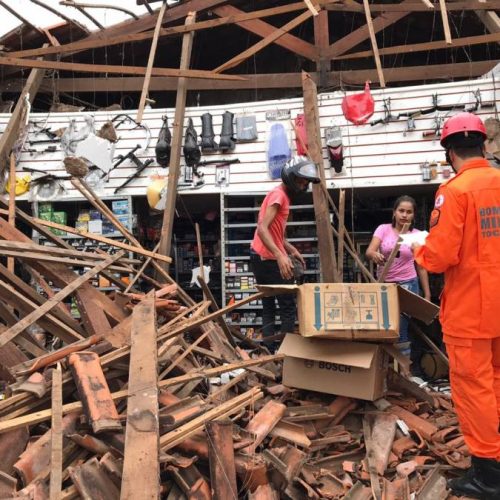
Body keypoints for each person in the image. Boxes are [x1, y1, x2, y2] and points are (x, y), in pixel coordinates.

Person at [411, 112, 500, 498]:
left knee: (473, 387)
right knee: (495, 381)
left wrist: (418, 248)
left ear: (449, 152)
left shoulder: (455, 191)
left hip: (470, 310)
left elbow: (440, 256)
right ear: (484, 144)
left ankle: (488, 473)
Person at [250, 155, 320, 346]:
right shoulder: (279, 195)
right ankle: (285, 354)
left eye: (305, 182)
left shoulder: (279, 194)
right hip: (268, 259)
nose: (303, 185)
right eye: (301, 180)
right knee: (288, 306)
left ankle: (268, 351)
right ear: (291, 177)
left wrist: (291, 249)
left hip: (259, 255)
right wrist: (281, 256)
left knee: (269, 305)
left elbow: (274, 232)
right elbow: (262, 229)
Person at [365, 195, 431, 355]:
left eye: (409, 212)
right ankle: (386, 368)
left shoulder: (417, 235)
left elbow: (421, 267)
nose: (404, 215)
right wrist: (374, 255)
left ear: (413, 215)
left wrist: (427, 294)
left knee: (401, 327)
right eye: (401, 210)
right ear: (394, 212)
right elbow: (369, 251)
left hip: (407, 284)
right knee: (384, 326)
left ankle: (404, 372)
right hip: (384, 284)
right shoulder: (383, 229)